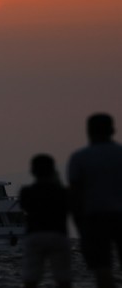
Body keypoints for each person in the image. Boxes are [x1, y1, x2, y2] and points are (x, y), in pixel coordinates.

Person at [68, 113, 122, 288]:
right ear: (113, 130)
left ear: (88, 131)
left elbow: (75, 196)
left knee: (102, 268)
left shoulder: (80, 158)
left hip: (95, 218)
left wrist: (80, 225)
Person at [20, 154, 72, 288]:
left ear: (32, 171)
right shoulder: (62, 192)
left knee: (30, 279)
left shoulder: (26, 192)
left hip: (34, 235)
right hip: (58, 234)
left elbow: (25, 207)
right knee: (63, 279)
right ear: (53, 170)